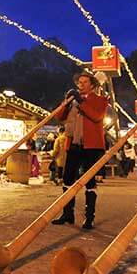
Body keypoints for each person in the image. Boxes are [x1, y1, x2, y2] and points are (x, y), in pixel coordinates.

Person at [52, 70, 109, 229]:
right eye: (79, 82)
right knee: (68, 178)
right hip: (73, 144)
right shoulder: (73, 100)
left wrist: (80, 102)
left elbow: (96, 116)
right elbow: (59, 116)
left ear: (92, 85)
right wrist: (67, 102)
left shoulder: (101, 100)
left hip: (91, 146)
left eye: (84, 82)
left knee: (89, 181)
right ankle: (67, 213)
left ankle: (89, 217)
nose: (80, 85)